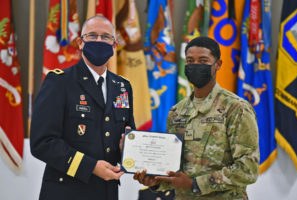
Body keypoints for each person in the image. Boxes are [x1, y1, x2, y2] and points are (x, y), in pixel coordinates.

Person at [134, 36, 259, 200]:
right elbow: (174, 168)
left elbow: (248, 169)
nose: (196, 65)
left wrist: (196, 184)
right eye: (190, 61)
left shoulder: (236, 109)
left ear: (218, 65)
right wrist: (156, 181)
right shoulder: (176, 112)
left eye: (203, 60)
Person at [30, 15, 135, 200]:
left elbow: (125, 135)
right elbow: (42, 142)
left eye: (105, 37)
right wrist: (91, 167)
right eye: (92, 36)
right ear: (80, 42)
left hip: (107, 192)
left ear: (114, 45)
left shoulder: (123, 86)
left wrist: (125, 146)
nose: (99, 41)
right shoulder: (59, 82)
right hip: (66, 191)